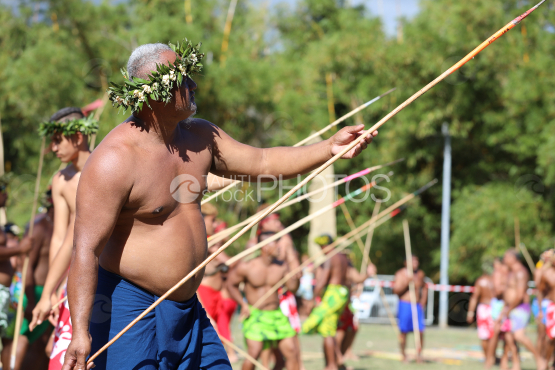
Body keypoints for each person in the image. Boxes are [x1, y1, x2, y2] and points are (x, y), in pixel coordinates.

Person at [61, 40, 376, 370]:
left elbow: (264, 161)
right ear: (154, 93)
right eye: (183, 79)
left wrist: (329, 147)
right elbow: (85, 250)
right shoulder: (114, 161)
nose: (194, 85)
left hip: (187, 309)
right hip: (130, 307)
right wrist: (80, 332)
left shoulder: (200, 137)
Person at [27, 107, 96, 370]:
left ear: (78, 137)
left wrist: (48, 294)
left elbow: (74, 240)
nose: (53, 148)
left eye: (58, 140)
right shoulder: (60, 180)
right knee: (60, 354)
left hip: (103, 272)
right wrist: (53, 289)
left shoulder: (103, 169)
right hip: (73, 272)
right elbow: (61, 239)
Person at [227, 231, 300, 370]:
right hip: (255, 315)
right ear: (265, 247)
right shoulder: (247, 266)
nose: (280, 247)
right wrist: (242, 304)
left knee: (292, 352)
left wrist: (296, 278)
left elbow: (293, 289)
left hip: (277, 315)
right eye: (276, 243)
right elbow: (230, 284)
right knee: (254, 353)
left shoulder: (282, 266)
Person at [301, 234, 350, 370]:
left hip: (333, 294)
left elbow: (322, 281)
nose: (321, 250)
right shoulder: (342, 257)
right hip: (342, 293)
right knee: (328, 328)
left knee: (327, 331)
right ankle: (336, 359)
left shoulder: (330, 257)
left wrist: (312, 299)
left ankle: (332, 365)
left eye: (321, 247)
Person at [494, 249, 545, 370]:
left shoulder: (521, 272)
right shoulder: (511, 272)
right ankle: (516, 365)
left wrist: (509, 309)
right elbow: (508, 292)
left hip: (519, 308)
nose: (504, 259)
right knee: (509, 337)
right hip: (509, 308)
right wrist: (504, 310)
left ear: (513, 258)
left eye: (506, 257)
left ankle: (539, 358)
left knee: (518, 336)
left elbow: (520, 295)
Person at [336, 256, 376, 363]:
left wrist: (368, 274)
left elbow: (357, 278)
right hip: (337, 304)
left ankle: (341, 358)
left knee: (351, 329)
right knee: (340, 331)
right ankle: (337, 360)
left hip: (347, 306)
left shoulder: (347, 266)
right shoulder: (338, 264)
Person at [392, 256, 428, 363]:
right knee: (403, 331)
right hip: (405, 305)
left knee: (420, 331)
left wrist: (423, 301)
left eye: (416, 260)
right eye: (412, 260)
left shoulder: (420, 274)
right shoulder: (400, 274)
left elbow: (425, 287)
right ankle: (403, 355)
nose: (415, 263)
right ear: (405, 262)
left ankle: (419, 355)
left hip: (417, 306)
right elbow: (396, 291)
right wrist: (407, 282)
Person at [467, 261, 496, 360]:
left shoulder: (480, 281)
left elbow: (474, 297)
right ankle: (490, 357)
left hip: (484, 309)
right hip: (494, 308)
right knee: (493, 335)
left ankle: (488, 357)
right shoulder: (497, 280)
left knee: (485, 336)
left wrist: (470, 312)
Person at [533, 250, 553, 364]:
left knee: (551, 336)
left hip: (550, 304)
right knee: (542, 335)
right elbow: (538, 287)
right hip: (542, 304)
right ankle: (540, 361)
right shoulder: (541, 270)